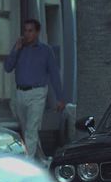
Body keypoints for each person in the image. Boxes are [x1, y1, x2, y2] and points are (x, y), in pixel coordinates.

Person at [4, 19, 65, 160]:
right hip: (20, 93)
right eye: (25, 30)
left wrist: (60, 98)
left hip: (37, 93)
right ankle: (42, 159)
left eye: (30, 31)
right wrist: (15, 50)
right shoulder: (19, 48)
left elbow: (54, 75)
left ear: (37, 32)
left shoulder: (46, 50)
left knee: (31, 130)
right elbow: (7, 68)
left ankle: (28, 163)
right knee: (28, 130)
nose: (27, 34)